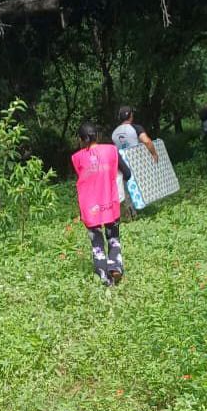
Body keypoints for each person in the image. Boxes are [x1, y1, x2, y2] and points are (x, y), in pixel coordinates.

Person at [72, 121, 132, 287]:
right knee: (113, 237)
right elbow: (127, 173)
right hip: (109, 203)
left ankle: (104, 277)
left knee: (97, 244)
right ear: (97, 135)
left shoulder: (76, 158)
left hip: (90, 207)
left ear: (81, 139)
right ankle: (116, 266)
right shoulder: (112, 151)